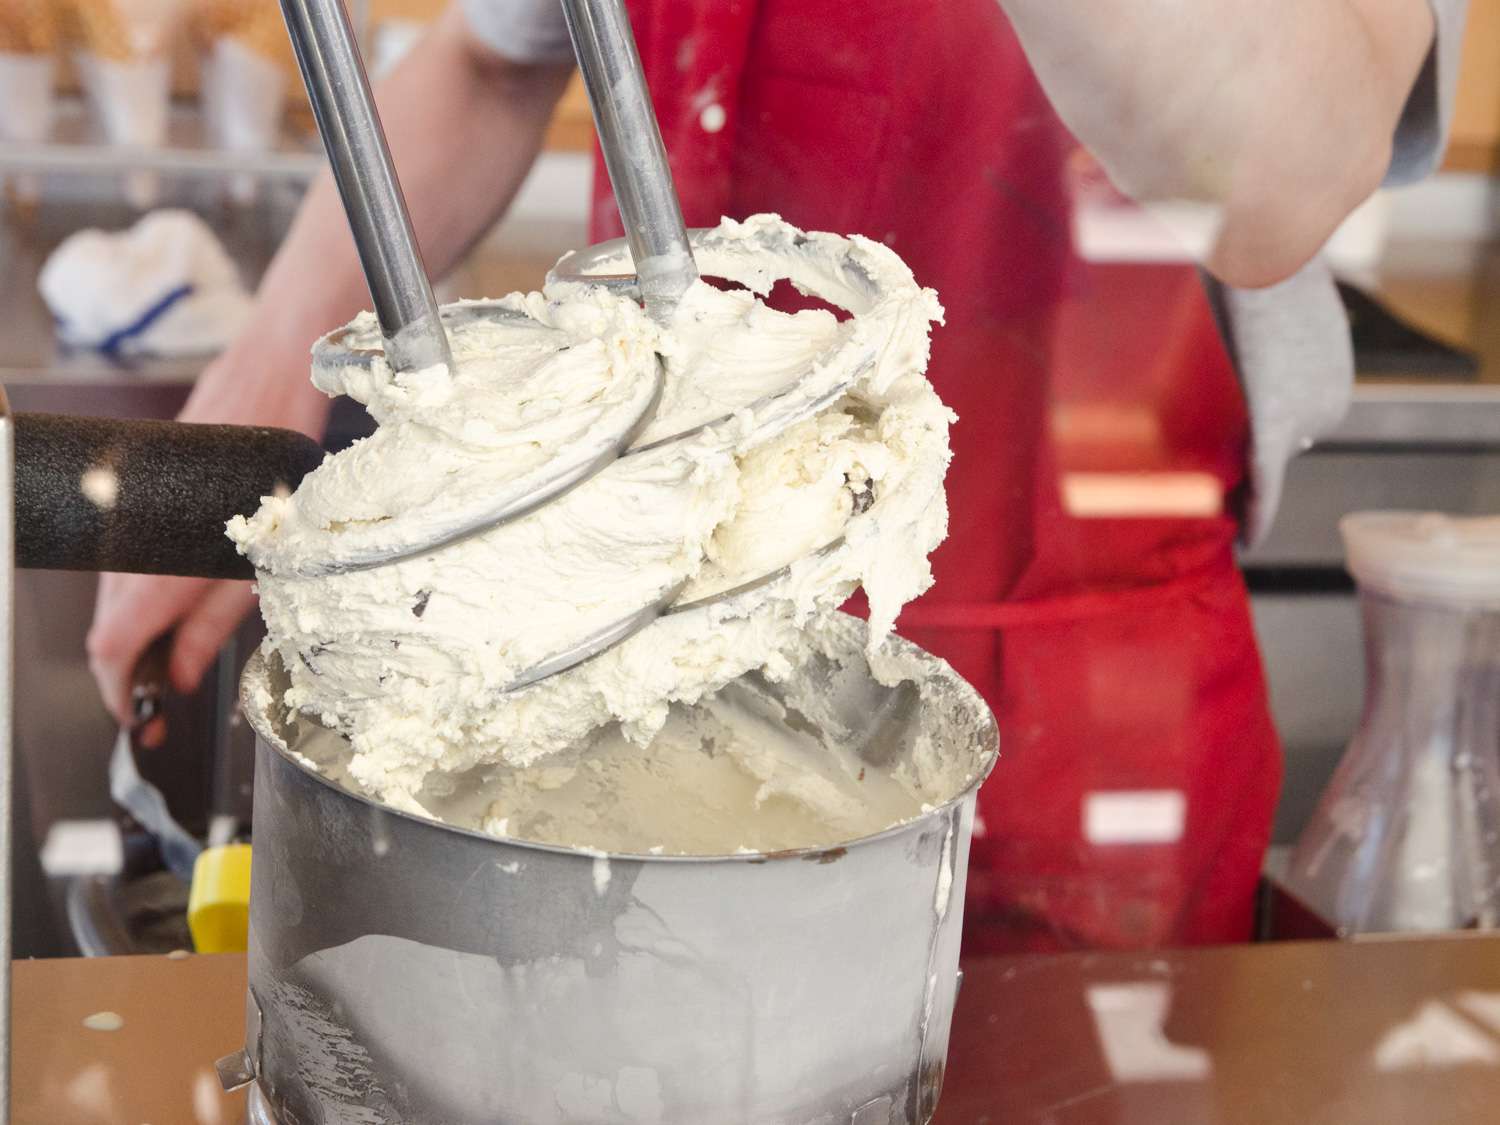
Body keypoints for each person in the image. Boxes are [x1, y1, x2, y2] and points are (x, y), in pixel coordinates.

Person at [86, 0, 1467, 951]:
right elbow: (493, 62)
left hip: (1080, 750)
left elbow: (1286, 164)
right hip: (638, 671)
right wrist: (263, 362)